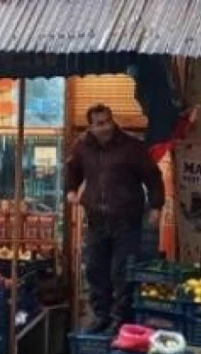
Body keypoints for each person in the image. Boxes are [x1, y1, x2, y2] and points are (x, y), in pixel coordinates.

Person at [66, 104, 165, 334]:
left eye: (108, 121)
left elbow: (153, 176)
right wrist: (71, 190)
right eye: (99, 124)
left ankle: (120, 319)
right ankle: (101, 316)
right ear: (90, 126)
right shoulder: (82, 146)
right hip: (96, 221)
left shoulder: (132, 147)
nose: (106, 127)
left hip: (126, 221)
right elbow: (73, 170)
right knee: (95, 269)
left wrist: (156, 207)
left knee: (121, 273)